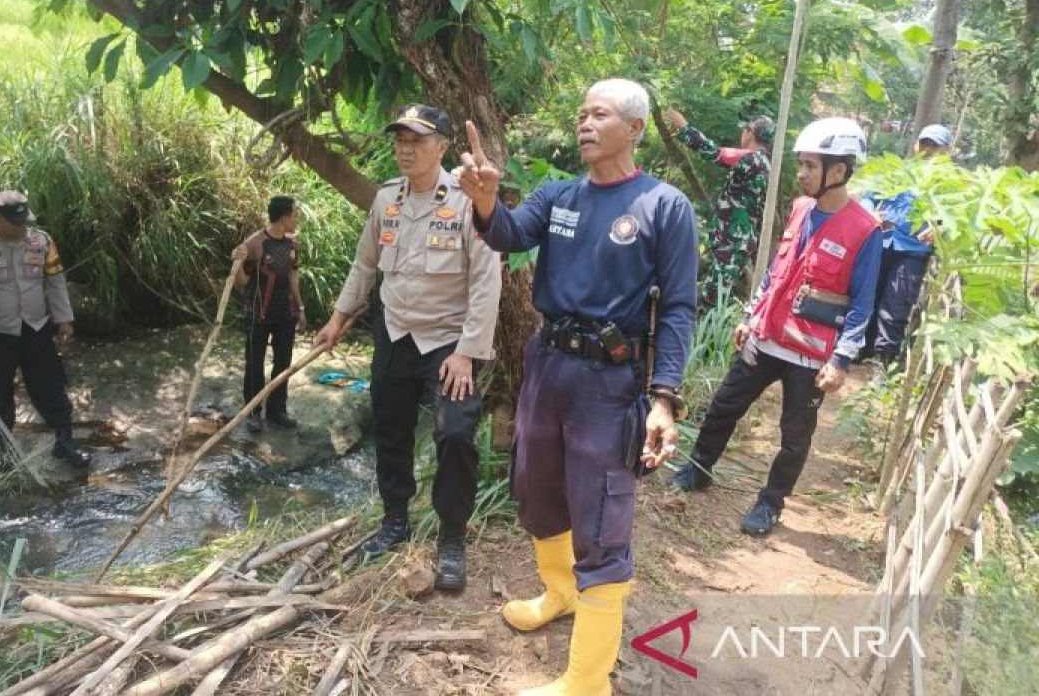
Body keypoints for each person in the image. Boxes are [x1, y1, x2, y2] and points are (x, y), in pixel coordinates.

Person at [459, 79, 697, 696]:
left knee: (602, 521)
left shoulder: (662, 206)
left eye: (600, 114)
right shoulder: (559, 196)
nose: (584, 123)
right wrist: (486, 203)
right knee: (536, 491)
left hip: (610, 382)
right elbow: (508, 234)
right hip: (548, 367)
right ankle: (560, 594)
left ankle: (587, 681)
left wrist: (665, 398)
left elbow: (677, 308)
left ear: (635, 128)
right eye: (581, 114)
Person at [314, 104, 502, 591]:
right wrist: (337, 318)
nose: (405, 147)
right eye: (400, 138)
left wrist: (468, 351)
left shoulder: (467, 200)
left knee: (456, 435)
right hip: (394, 334)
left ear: (441, 146)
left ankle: (452, 538)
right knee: (391, 431)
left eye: (418, 139)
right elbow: (365, 263)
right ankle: (394, 521)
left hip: (447, 343)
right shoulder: (387, 199)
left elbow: (486, 282)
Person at [673, 118, 882, 537]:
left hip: (810, 355)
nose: (801, 173)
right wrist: (751, 314)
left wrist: (841, 360)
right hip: (766, 336)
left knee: (794, 436)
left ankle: (770, 503)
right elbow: (777, 270)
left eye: (810, 165)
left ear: (838, 171)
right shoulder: (801, 209)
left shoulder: (865, 230)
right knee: (723, 406)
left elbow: (863, 303)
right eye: (801, 164)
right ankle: (698, 469)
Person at [0, 190, 89, 470]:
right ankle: (6, 449)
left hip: (36, 329)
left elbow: (56, 282)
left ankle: (65, 441)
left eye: (24, 222)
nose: (21, 228)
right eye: (14, 223)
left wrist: (64, 320)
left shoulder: (42, 242)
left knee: (51, 386)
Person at [664, 109, 774, 312]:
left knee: (712, 301)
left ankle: (705, 340)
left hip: (732, 242)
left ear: (750, 133)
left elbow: (714, 153)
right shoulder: (764, 163)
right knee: (717, 291)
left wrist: (684, 128)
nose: (743, 135)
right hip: (735, 241)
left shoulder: (750, 159)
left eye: (745, 130)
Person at [858, 124, 947, 366]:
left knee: (895, 305)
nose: (928, 150)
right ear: (916, 145)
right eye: (925, 144)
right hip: (880, 241)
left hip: (913, 250)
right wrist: (870, 214)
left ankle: (881, 359)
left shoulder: (948, 183)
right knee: (867, 295)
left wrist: (941, 227)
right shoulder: (896, 171)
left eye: (935, 146)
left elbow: (954, 215)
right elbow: (868, 195)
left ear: (946, 151)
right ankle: (858, 348)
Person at [233, 196, 307, 432]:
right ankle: (253, 413)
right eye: (295, 215)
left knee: (283, 363)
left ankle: (277, 410)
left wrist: (301, 308)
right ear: (284, 218)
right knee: (254, 363)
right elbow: (241, 282)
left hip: (286, 314)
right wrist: (236, 263)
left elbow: (293, 276)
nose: (297, 219)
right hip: (259, 315)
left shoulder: (293, 245)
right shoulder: (254, 244)